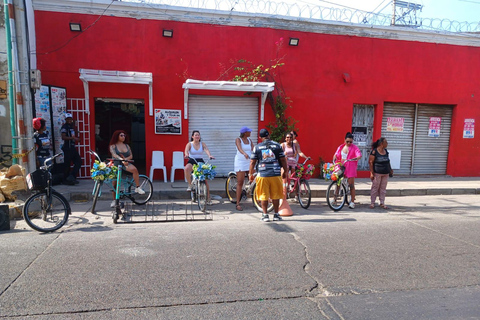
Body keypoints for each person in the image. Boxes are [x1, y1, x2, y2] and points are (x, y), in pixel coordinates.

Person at [249, 129, 288, 222]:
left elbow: (252, 162)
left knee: (263, 195)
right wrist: (285, 171)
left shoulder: (257, 147)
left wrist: (250, 173)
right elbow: (283, 159)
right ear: (269, 135)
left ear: (260, 137)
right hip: (275, 174)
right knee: (276, 195)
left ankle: (265, 215)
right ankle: (276, 214)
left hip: (263, 174)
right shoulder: (277, 145)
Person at [109, 130, 145, 207]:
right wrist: (121, 159)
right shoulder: (113, 146)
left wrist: (125, 159)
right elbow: (114, 154)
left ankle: (138, 187)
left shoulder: (127, 146)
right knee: (114, 183)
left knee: (135, 170)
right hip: (116, 165)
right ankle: (114, 200)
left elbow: (131, 156)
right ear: (117, 136)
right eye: (121, 135)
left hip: (125, 164)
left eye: (124, 135)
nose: (123, 137)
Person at [333, 132, 362, 209]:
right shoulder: (341, 147)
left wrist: (357, 157)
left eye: (350, 142)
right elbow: (336, 154)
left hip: (350, 168)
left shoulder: (355, 148)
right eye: (347, 141)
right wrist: (335, 157)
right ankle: (335, 199)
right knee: (338, 184)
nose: (349, 143)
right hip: (341, 166)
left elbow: (359, 155)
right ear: (344, 140)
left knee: (351, 185)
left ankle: (352, 202)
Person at [184, 130, 215, 201]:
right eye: (196, 135)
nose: (197, 136)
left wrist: (209, 155)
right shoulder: (189, 144)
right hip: (192, 160)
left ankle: (208, 198)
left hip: (200, 161)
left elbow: (206, 150)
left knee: (205, 180)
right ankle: (190, 185)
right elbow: (186, 150)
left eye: (198, 135)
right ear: (192, 137)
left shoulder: (202, 144)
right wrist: (186, 154)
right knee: (186, 169)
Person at [234, 126, 254, 211]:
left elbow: (253, 149)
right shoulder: (238, 139)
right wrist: (244, 153)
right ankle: (238, 203)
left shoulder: (250, 140)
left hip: (249, 161)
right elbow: (239, 148)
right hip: (241, 161)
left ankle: (256, 199)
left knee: (253, 179)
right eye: (249, 132)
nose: (250, 133)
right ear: (245, 133)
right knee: (240, 182)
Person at [369, 137, 393, 209]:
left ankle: (382, 202)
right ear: (382, 144)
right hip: (377, 173)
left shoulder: (385, 151)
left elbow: (388, 161)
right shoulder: (374, 152)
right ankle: (372, 202)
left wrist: (390, 169)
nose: (387, 144)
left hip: (385, 173)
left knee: (383, 188)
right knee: (375, 188)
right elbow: (370, 162)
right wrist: (372, 173)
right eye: (386, 142)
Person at [60, 113, 82, 185]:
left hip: (72, 147)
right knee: (67, 165)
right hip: (67, 148)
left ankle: (72, 177)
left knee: (78, 162)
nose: (69, 120)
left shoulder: (72, 127)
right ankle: (65, 180)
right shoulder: (64, 127)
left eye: (70, 119)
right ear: (66, 120)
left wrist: (76, 138)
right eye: (68, 119)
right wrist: (72, 138)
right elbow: (63, 137)